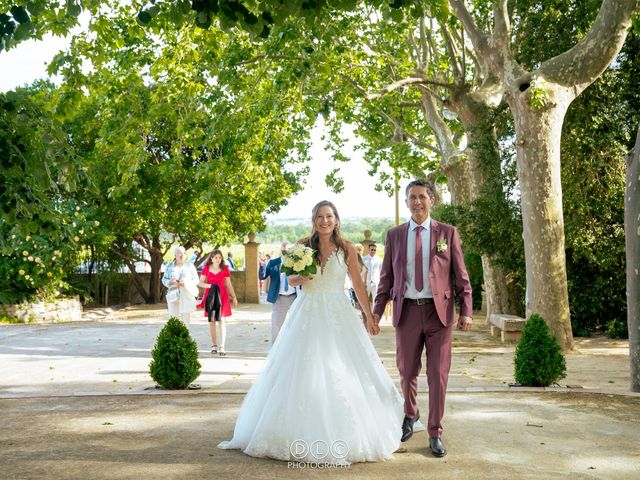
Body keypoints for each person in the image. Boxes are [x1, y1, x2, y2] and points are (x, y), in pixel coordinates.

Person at [218, 200, 408, 465]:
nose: (325, 221)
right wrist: (301, 278)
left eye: (329, 216)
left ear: (336, 220)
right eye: (320, 216)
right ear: (314, 220)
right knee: (299, 367)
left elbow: (357, 284)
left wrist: (368, 315)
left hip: (337, 312)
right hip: (306, 311)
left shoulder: (347, 249)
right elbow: (291, 279)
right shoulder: (302, 247)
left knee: (343, 367)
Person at [373, 179, 473, 458]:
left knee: (438, 374)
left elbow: (461, 276)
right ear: (406, 203)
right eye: (412, 197)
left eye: (422, 197)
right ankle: (410, 415)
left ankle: (435, 432)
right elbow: (386, 278)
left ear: (432, 201)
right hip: (407, 312)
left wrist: (466, 310)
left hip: (439, 314)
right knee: (406, 371)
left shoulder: (448, 233)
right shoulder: (394, 235)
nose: (417, 202)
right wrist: (377, 311)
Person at [198, 249, 238, 356]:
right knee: (211, 321)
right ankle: (214, 345)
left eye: (220, 257)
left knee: (221, 321)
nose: (218, 259)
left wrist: (233, 297)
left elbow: (228, 284)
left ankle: (222, 346)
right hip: (210, 296)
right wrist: (210, 286)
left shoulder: (225, 269)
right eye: (216, 257)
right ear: (212, 258)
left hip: (222, 296)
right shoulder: (206, 268)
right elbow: (200, 283)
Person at [260, 241, 296, 343]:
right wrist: (262, 265)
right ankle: (274, 350)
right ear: (280, 250)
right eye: (283, 250)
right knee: (277, 326)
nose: (285, 252)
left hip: (295, 297)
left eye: (288, 250)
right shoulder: (273, 263)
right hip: (279, 298)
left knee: (296, 324)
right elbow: (262, 276)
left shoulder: (296, 263)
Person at [161, 246, 199, 325]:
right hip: (173, 295)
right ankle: (175, 337)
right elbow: (164, 279)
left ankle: (185, 337)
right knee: (174, 319)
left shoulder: (190, 266)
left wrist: (185, 283)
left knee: (185, 320)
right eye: (179, 253)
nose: (182, 255)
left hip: (186, 295)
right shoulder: (169, 266)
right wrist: (171, 282)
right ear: (175, 255)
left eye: (183, 253)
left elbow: (196, 280)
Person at [363, 242, 382, 307]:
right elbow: (362, 271)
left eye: (374, 250)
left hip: (376, 281)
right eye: (372, 249)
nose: (373, 251)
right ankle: (365, 313)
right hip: (366, 281)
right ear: (369, 250)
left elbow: (381, 271)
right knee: (364, 298)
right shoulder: (364, 259)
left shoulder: (379, 260)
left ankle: (374, 313)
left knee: (375, 298)